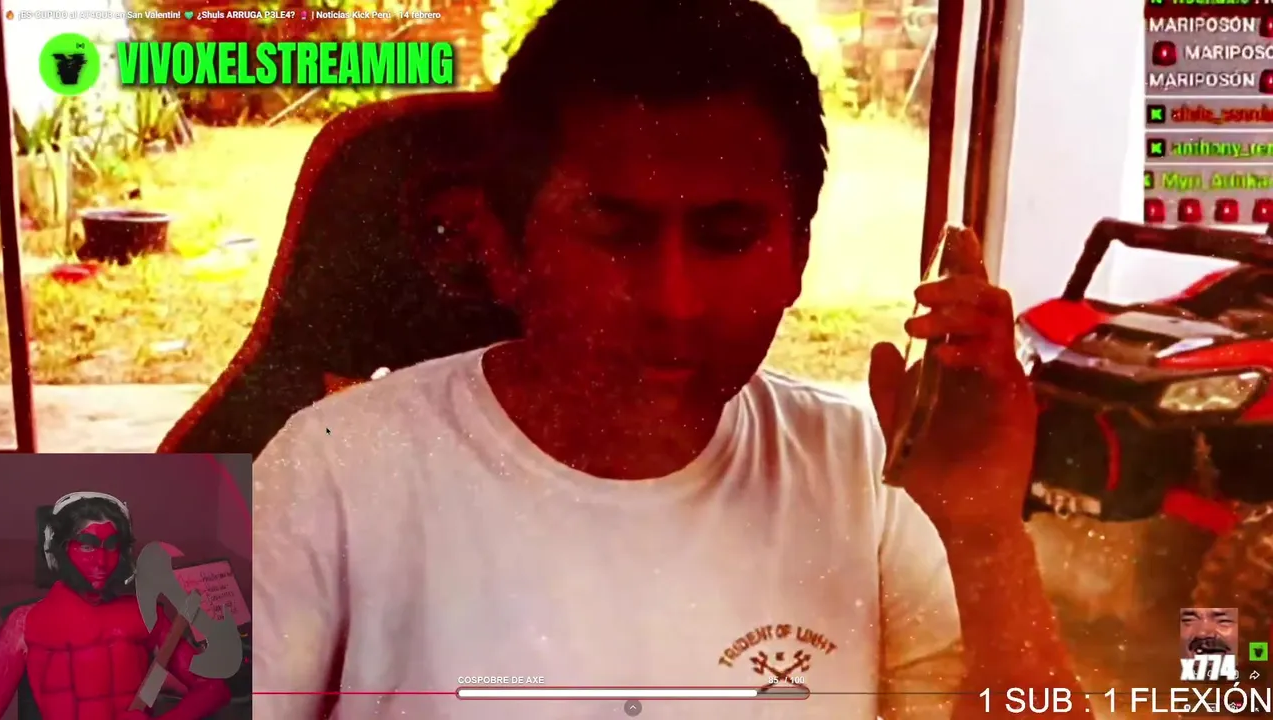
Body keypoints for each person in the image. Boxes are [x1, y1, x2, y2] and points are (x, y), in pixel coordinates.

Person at [251, 1, 1085, 718]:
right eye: (615, 236)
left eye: (729, 238)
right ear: (501, 248)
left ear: (797, 258)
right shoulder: (322, 469)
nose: (675, 302)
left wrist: (986, 538)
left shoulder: (865, 475)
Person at [0, 492, 232, 720]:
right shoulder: (23, 624)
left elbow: (213, 687)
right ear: (60, 548)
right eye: (87, 546)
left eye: (110, 546)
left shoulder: (145, 614)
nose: (101, 561)